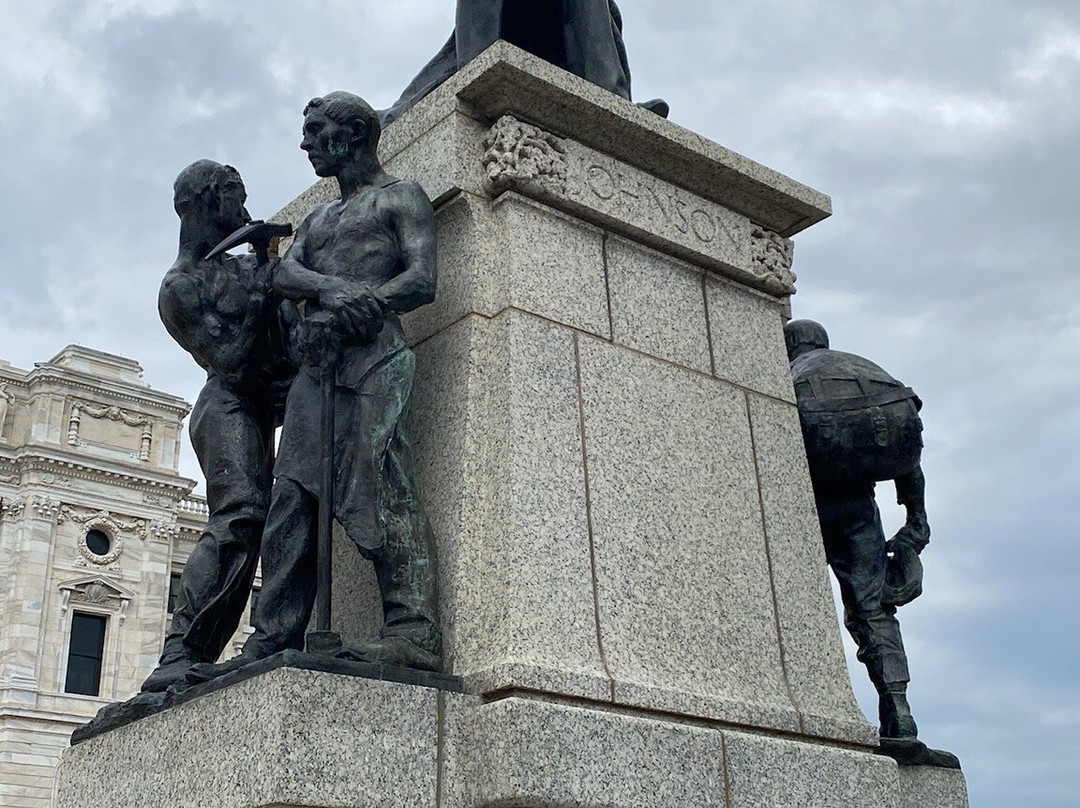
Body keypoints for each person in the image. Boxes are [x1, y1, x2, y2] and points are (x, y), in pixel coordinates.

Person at [193, 91, 441, 678]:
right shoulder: (319, 218)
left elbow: (421, 279)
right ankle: (273, 634)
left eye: (315, 131)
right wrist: (333, 293)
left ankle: (413, 630)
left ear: (351, 134)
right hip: (319, 367)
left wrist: (363, 303)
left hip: (374, 358)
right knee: (292, 497)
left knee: (382, 484)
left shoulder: (400, 197)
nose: (305, 144)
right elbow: (285, 272)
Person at [142, 160, 292, 692]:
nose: (245, 208)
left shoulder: (247, 267)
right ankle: (183, 649)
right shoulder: (180, 287)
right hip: (227, 406)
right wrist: (264, 293)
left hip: (266, 409)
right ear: (208, 200)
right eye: (236, 195)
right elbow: (230, 361)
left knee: (273, 517)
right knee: (240, 515)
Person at [784, 320, 956, 767]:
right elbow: (909, 456)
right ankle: (900, 716)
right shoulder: (856, 375)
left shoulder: (791, 380)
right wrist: (917, 521)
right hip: (858, 510)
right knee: (873, 610)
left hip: (800, 502)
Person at [381, 0, 667, 125]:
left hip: (560, 50)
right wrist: (480, 81)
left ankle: (615, 103)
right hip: (499, 43)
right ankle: (480, 79)